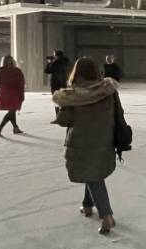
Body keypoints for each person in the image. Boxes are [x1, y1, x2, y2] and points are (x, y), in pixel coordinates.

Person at [52, 57, 122, 235]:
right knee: (92, 171)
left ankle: (107, 216)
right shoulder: (108, 90)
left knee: (92, 176)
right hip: (104, 139)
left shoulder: (73, 95)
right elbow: (118, 113)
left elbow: (65, 120)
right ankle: (87, 205)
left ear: (76, 73)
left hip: (81, 142)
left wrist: (61, 108)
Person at [0, 55, 25, 136]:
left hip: (4, 93)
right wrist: (22, 94)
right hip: (15, 93)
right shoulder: (17, 70)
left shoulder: (0, 70)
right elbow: (21, 83)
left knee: (12, 111)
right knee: (12, 111)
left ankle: (15, 128)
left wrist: (1, 91)